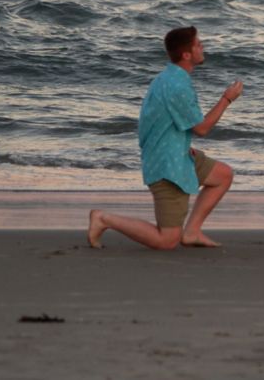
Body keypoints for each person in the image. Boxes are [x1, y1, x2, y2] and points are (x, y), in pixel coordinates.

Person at [88, 26, 243, 250]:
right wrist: (227, 99)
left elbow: (162, 123)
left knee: (223, 175)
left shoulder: (168, 77)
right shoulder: (177, 85)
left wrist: (182, 144)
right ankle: (103, 219)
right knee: (167, 240)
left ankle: (192, 232)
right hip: (167, 166)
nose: (203, 47)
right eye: (198, 44)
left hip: (178, 154)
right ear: (187, 54)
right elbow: (202, 128)